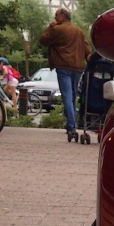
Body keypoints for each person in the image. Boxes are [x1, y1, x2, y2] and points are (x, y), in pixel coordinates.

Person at [39, 8, 91, 141]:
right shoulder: (78, 31)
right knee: (72, 96)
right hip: (78, 67)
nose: (55, 18)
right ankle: (72, 124)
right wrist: (88, 57)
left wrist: (50, 27)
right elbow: (86, 47)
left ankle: (72, 126)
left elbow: (43, 40)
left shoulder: (57, 29)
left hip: (63, 67)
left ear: (63, 16)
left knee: (67, 96)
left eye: (56, 15)